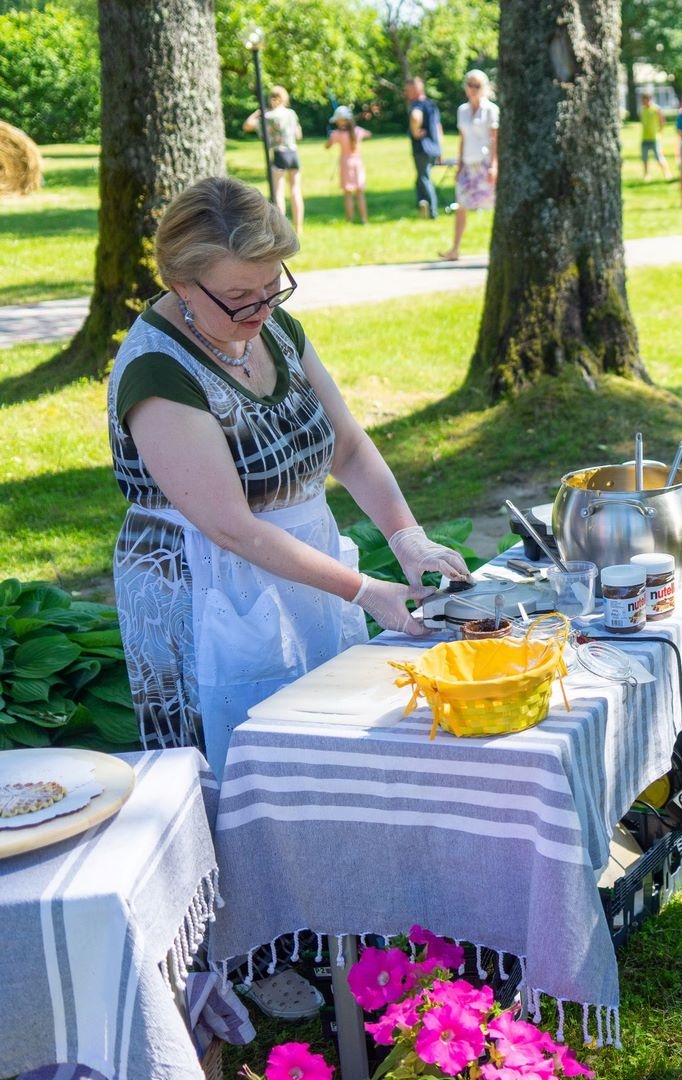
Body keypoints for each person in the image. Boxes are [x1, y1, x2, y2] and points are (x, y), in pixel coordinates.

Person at [107, 177, 469, 780]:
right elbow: (233, 529)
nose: (261, 307)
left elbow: (346, 447)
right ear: (180, 285)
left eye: (273, 285)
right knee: (244, 772)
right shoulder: (157, 372)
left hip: (302, 570)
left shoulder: (273, 328)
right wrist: (362, 590)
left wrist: (407, 535)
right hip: (209, 588)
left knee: (328, 753)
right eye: (239, 296)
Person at [440, 69, 499, 261]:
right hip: (467, 163)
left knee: (493, 206)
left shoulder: (491, 110)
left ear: (484, 88)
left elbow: (495, 140)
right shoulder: (462, 111)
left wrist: (494, 165)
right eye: (470, 85)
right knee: (461, 205)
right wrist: (459, 166)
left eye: (477, 85)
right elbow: (462, 139)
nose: (473, 89)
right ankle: (455, 248)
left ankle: (496, 249)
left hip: (484, 164)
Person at [243, 86, 305, 236]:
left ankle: (281, 228)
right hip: (293, 153)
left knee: (278, 192)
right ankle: (299, 228)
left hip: (279, 154)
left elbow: (247, 125)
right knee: (296, 191)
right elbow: (299, 134)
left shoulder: (269, 117)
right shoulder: (291, 114)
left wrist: (259, 111)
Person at [405, 76, 445, 219]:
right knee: (420, 179)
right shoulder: (431, 105)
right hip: (434, 148)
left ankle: (432, 211)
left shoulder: (417, 105)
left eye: (408, 90)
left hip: (422, 148)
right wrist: (440, 149)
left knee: (424, 178)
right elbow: (439, 128)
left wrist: (415, 131)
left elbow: (416, 117)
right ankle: (422, 206)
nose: (406, 93)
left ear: (416, 89)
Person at [324, 106, 371, 225]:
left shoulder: (337, 134)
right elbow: (368, 134)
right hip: (357, 163)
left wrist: (330, 136)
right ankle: (364, 219)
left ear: (342, 120)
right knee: (360, 193)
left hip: (346, 163)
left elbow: (327, 146)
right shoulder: (357, 131)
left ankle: (349, 219)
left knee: (348, 193)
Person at [639, 91, 671, 181]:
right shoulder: (642, 110)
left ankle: (667, 173)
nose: (643, 102)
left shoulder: (656, 109)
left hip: (654, 138)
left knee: (659, 157)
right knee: (644, 158)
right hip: (644, 138)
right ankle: (646, 174)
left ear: (649, 99)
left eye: (644, 100)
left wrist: (660, 131)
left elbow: (662, 121)